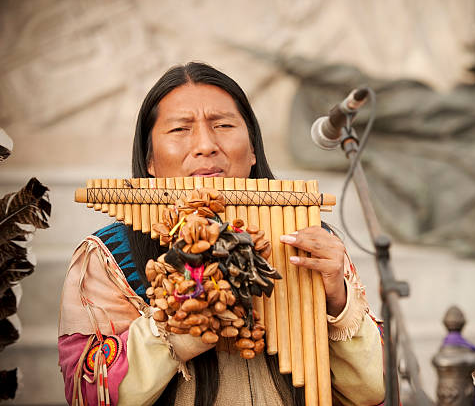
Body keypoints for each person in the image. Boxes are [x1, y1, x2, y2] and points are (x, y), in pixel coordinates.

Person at [58, 62, 384, 405]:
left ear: (254, 149)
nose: (206, 145)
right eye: (181, 129)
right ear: (150, 161)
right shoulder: (108, 255)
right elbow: (88, 392)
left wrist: (339, 303)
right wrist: (184, 314)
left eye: (224, 125)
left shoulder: (310, 240)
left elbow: (375, 390)